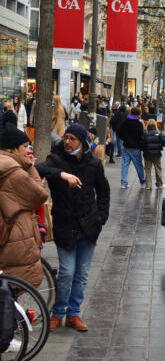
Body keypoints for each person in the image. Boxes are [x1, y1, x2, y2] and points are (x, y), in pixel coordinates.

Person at [36, 124, 110, 332]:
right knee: (67, 272)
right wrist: (61, 174)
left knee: (82, 274)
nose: (67, 142)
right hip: (65, 225)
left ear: (82, 141)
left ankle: (73, 313)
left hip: (88, 226)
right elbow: (38, 169)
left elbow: (103, 192)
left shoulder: (93, 163)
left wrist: (101, 218)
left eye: (72, 139)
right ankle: (58, 313)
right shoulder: (56, 158)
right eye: (65, 137)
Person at [0, 123, 48, 287]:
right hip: (14, 236)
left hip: (5, 232)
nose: (28, 150)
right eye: (25, 146)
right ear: (14, 149)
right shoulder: (15, 172)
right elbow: (39, 195)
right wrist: (31, 168)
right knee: (14, 287)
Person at [117, 107, 146, 189]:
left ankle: (123, 182)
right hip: (136, 147)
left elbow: (119, 133)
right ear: (138, 114)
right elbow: (141, 135)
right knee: (138, 165)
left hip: (126, 146)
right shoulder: (139, 123)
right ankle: (142, 181)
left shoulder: (125, 122)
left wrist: (125, 139)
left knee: (125, 165)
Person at [141, 119, 165, 190]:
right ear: (155, 125)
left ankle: (148, 185)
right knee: (158, 168)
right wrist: (161, 145)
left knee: (147, 169)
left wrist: (144, 149)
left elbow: (141, 143)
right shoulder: (159, 133)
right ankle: (159, 184)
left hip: (147, 154)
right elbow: (164, 141)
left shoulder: (145, 133)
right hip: (157, 154)